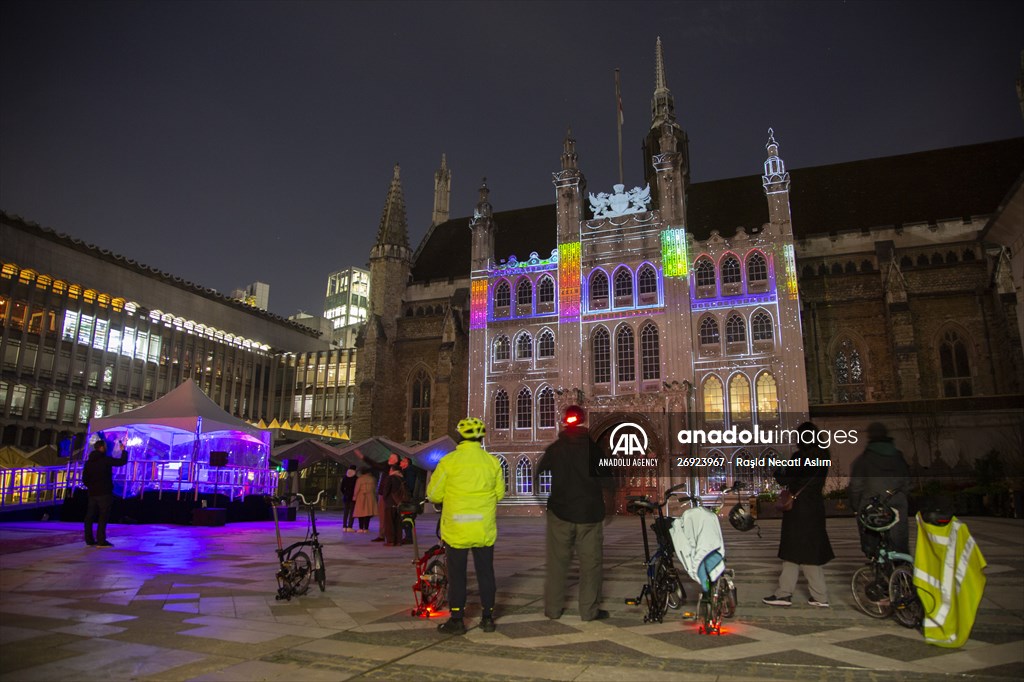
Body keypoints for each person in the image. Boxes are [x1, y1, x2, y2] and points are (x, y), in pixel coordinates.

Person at [427, 417, 505, 635]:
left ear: (459, 437)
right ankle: (488, 618)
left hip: (457, 528)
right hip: (483, 527)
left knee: (457, 574)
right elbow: (499, 493)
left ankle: (457, 619)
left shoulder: (449, 461)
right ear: (481, 437)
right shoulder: (492, 462)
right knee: (486, 572)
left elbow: (433, 494)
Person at [536, 405, 612, 621]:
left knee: (557, 564)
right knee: (590, 565)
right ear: (584, 421)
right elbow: (608, 480)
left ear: (563, 421)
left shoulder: (555, 449)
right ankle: (588, 611)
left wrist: (545, 503)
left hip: (560, 513)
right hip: (589, 514)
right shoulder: (594, 449)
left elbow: (539, 473)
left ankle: (553, 609)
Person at [763, 422, 834, 608]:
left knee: (794, 550)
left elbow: (784, 478)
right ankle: (814, 595)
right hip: (815, 508)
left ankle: (786, 594)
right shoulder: (824, 457)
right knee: (804, 550)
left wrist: (778, 469)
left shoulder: (800, 457)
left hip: (798, 509)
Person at [849, 422, 911, 556]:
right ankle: (902, 569)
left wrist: (855, 506)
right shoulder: (898, 456)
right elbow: (906, 482)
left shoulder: (864, 459)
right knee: (900, 546)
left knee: (872, 541)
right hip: (897, 504)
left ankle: (875, 558)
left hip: (873, 504)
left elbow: (856, 486)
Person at [82, 433, 128, 547]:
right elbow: (121, 462)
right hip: (104, 492)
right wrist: (123, 451)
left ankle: (89, 539)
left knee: (89, 516)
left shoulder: (89, 462)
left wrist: (91, 486)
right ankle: (101, 540)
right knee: (103, 517)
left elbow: (85, 478)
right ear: (102, 448)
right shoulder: (105, 460)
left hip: (92, 493)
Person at [370, 453, 400, 542]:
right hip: (383, 494)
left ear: (396, 460)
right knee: (383, 516)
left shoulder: (393, 471)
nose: (389, 459)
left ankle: (387, 536)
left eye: (391, 458)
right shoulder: (387, 469)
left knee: (387, 516)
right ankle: (383, 534)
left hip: (386, 496)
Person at [380, 464, 409, 546]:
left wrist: (385, 499)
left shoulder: (390, 478)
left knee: (389, 523)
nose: (389, 471)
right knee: (398, 523)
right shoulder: (402, 479)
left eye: (390, 469)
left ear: (393, 470)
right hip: (399, 504)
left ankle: (390, 541)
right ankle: (398, 541)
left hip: (390, 503)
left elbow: (386, 491)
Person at [400, 457, 421, 543]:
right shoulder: (409, 471)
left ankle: (409, 537)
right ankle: (408, 536)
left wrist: (406, 494)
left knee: (407, 517)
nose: (400, 462)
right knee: (407, 518)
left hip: (409, 499)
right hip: (410, 498)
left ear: (406, 463)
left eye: (402, 461)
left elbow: (410, 485)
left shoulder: (409, 471)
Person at [352, 467, 378, 534]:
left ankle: (360, 528)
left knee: (361, 513)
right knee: (368, 513)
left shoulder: (360, 479)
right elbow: (375, 489)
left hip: (361, 496)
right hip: (370, 496)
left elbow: (356, 489)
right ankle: (366, 528)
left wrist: (354, 497)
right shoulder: (372, 479)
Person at [338, 465, 358, 533]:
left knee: (345, 512)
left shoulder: (345, 477)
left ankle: (344, 526)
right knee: (352, 512)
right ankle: (350, 526)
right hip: (353, 497)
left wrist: (345, 493)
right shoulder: (356, 478)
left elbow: (341, 488)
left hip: (346, 497)